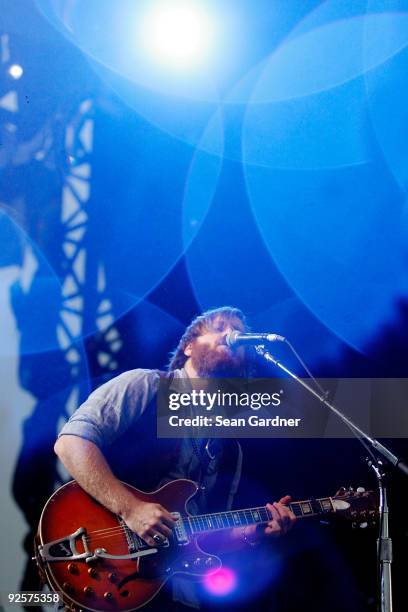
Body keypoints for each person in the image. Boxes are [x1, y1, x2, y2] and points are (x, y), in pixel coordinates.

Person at [54, 306, 296, 610]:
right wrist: (131, 508)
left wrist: (250, 533)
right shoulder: (145, 386)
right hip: (107, 566)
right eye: (219, 327)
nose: (231, 335)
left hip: (174, 593)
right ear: (189, 346)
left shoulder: (230, 448)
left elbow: (201, 535)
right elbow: (70, 443)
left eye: (238, 332)